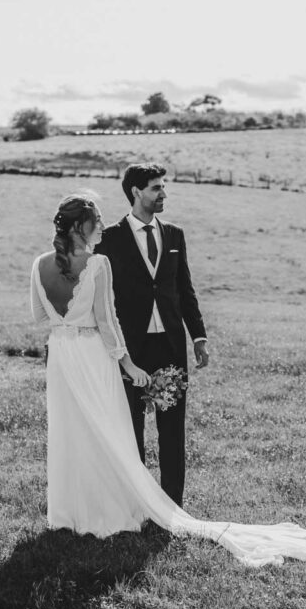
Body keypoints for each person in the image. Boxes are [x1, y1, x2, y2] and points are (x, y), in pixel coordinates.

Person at [31, 193, 306, 567]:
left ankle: (69, 514)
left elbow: (40, 318)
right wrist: (129, 366)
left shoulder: (38, 265)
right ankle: (109, 511)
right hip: (94, 358)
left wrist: (66, 335)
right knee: (108, 433)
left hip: (62, 359)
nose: (101, 227)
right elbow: (108, 325)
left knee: (72, 432)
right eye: (96, 221)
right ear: (82, 226)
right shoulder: (98, 264)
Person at [94, 163, 206, 507]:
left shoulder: (174, 234)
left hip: (170, 346)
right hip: (131, 350)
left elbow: (183, 288)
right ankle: (137, 502)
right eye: (156, 188)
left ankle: (173, 506)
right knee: (131, 429)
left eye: (163, 187)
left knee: (172, 431)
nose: (163, 194)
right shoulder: (109, 239)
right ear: (136, 192)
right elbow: (101, 296)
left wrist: (198, 336)